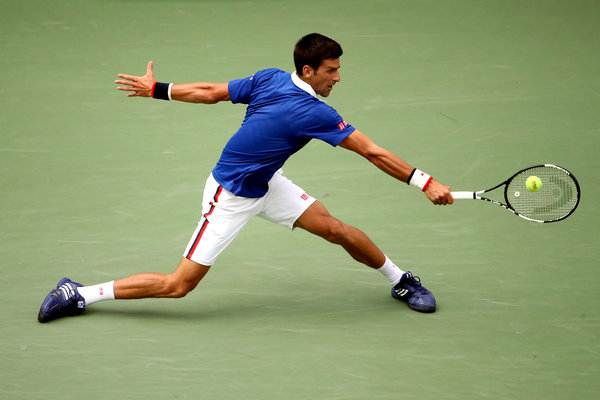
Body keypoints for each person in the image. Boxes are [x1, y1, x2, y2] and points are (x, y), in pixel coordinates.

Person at [38, 33, 453, 323]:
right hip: (230, 195)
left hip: (267, 183)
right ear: (308, 71)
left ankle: (400, 280)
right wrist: (425, 182)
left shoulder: (272, 77)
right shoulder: (312, 110)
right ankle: (78, 293)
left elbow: (211, 90)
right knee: (179, 285)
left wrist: (157, 89)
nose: (337, 78)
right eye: (331, 70)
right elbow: (372, 152)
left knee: (336, 230)